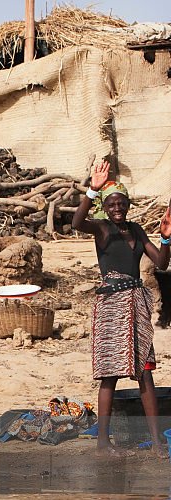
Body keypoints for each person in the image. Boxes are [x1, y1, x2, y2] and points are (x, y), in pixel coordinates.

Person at [71, 160, 171, 454]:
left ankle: (156, 441)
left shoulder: (137, 231)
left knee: (146, 372)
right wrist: (92, 191)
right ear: (105, 206)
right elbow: (76, 223)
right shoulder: (101, 229)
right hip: (112, 306)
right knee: (110, 374)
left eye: (121, 203)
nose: (117, 208)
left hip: (136, 307)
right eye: (112, 204)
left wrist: (166, 236)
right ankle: (103, 441)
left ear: (128, 205)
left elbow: (162, 263)